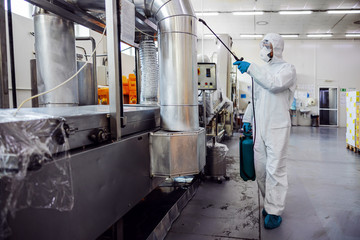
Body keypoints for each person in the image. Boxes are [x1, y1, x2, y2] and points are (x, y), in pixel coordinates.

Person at [234, 33, 297, 229]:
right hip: (260, 128)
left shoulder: (288, 70)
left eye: (266, 45)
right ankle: (269, 202)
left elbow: (274, 84)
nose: (263, 49)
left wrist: (252, 69)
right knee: (260, 168)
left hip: (277, 127)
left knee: (275, 170)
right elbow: (255, 99)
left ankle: (275, 210)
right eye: (262, 45)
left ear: (276, 49)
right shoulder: (261, 71)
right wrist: (247, 119)